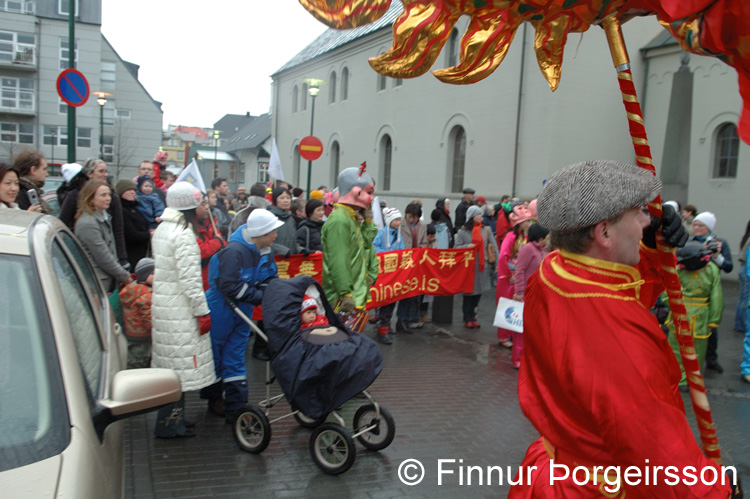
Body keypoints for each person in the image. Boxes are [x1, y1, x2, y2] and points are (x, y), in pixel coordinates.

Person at [508, 160, 739, 498]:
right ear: (603, 233)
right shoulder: (617, 333)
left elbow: (612, 286)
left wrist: (649, 251)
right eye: (638, 214)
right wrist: (717, 490)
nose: (648, 222)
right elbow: (657, 455)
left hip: (552, 471)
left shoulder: (553, 272)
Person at [150, 182, 215, 438]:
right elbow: (191, 281)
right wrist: (202, 311)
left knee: (172, 368)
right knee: (180, 370)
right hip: (181, 311)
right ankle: (169, 424)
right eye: (201, 203)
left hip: (166, 307)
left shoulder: (165, 228)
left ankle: (174, 419)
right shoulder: (184, 235)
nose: (205, 207)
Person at [205, 209, 282, 423]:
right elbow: (228, 285)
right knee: (216, 355)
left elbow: (270, 277)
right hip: (221, 309)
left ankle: (236, 407)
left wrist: (267, 293)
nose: (276, 235)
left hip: (243, 310)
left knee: (236, 355)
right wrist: (259, 296)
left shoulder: (265, 251)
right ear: (261, 233)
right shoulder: (234, 252)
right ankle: (214, 398)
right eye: (272, 231)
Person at [662, 241, 723, 390]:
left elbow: (666, 293)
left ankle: (679, 378)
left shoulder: (678, 269)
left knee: (678, 348)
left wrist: (671, 304)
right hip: (700, 317)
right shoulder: (712, 269)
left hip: (681, 314)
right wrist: (714, 319)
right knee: (697, 351)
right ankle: (691, 379)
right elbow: (716, 295)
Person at [321, 165, 378, 313]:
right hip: (343, 299)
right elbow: (339, 260)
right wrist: (345, 293)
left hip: (355, 296)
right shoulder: (340, 220)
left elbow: (366, 245)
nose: (370, 198)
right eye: (368, 193)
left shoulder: (350, 218)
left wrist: (369, 221)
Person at [60, 158, 128, 266]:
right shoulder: (75, 195)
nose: (105, 175)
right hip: (82, 252)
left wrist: (122, 258)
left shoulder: (112, 197)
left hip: (108, 252)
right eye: (101, 171)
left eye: (106, 171)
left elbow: (118, 230)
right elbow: (62, 223)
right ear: (89, 174)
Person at [691, 211, 732, 374]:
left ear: (709, 227)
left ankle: (711, 359)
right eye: (695, 224)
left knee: (711, 328)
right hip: (692, 289)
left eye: (700, 225)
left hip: (710, 290)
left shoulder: (720, 242)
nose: (696, 228)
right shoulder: (690, 242)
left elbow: (728, 267)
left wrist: (716, 255)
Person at [74, 179, 132, 293]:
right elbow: (103, 256)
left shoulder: (104, 217)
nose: (108, 198)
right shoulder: (88, 224)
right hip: (97, 281)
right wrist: (124, 276)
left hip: (107, 278)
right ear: (91, 199)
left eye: (109, 194)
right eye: (103, 195)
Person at [510, 223, 549, 369]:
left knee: (533, 328)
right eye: (546, 237)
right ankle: (517, 358)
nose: (548, 240)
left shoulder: (542, 251)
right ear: (540, 238)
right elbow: (519, 271)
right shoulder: (528, 249)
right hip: (525, 294)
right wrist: (519, 292)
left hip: (536, 294)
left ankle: (528, 357)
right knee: (521, 328)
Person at [455, 205, 498, 329]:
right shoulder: (463, 231)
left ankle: (473, 315)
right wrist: (466, 246)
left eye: (480, 214)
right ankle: (467, 318)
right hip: (468, 267)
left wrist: (497, 262)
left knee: (479, 292)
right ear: (471, 217)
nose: (480, 216)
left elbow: (493, 246)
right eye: (478, 214)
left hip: (482, 265)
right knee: (468, 294)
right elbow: (456, 247)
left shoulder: (486, 229)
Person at [496, 202, 532, 346]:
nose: (529, 224)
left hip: (517, 274)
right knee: (507, 304)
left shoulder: (523, 236)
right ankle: (503, 336)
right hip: (509, 276)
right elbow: (503, 256)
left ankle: (511, 334)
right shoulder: (511, 236)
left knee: (516, 304)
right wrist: (509, 274)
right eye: (527, 221)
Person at [372, 207, 404, 344]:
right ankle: (382, 329)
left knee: (392, 300)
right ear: (389, 220)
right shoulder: (381, 234)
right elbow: (373, 248)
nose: (398, 222)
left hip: (394, 273)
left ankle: (385, 324)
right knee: (384, 300)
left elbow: (402, 250)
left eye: (399, 220)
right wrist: (388, 255)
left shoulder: (399, 235)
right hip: (383, 273)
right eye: (395, 220)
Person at [397, 202, 428, 331]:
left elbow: (425, 241)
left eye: (414, 217)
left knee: (414, 292)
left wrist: (422, 248)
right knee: (403, 292)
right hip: (403, 261)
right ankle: (401, 319)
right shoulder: (400, 224)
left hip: (417, 262)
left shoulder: (423, 226)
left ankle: (411, 319)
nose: (411, 219)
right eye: (409, 216)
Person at [119, 258, 155, 369]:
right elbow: (148, 319)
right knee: (140, 360)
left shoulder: (133, 288)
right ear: (144, 276)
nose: (156, 276)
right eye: (152, 273)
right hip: (142, 335)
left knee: (134, 357)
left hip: (131, 332)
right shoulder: (146, 296)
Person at [115, 179, 151, 271]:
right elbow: (131, 235)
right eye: (128, 190)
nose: (132, 192)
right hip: (130, 254)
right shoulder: (121, 210)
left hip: (140, 253)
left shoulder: (135, 207)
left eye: (134, 190)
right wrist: (149, 234)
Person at [11, 147, 51, 213]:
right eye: (44, 169)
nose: (47, 174)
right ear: (33, 170)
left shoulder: (28, 191)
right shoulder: (21, 194)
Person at [268, 186, 300, 256]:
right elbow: (265, 241)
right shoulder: (270, 218)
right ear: (275, 200)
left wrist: (300, 249)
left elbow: (294, 241)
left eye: (288, 198)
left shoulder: (291, 219)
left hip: (290, 260)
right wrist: (282, 250)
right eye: (282, 198)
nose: (286, 200)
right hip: (275, 258)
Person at [735, 220, 750, 333]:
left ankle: (740, 323)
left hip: (743, 268)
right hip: (746, 269)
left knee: (743, 298)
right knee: (745, 299)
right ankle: (743, 325)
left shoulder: (746, 237)